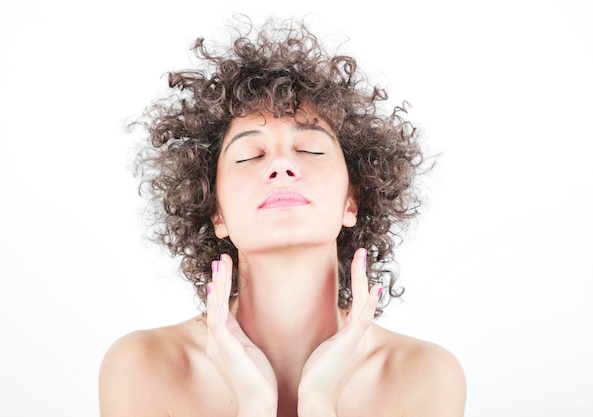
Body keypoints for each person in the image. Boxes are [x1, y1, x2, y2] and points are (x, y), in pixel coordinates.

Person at [99, 17, 466, 417]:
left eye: (310, 149)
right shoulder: (145, 369)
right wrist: (255, 406)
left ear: (352, 201)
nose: (281, 165)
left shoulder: (424, 376)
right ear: (215, 211)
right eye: (249, 155)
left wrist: (319, 401)